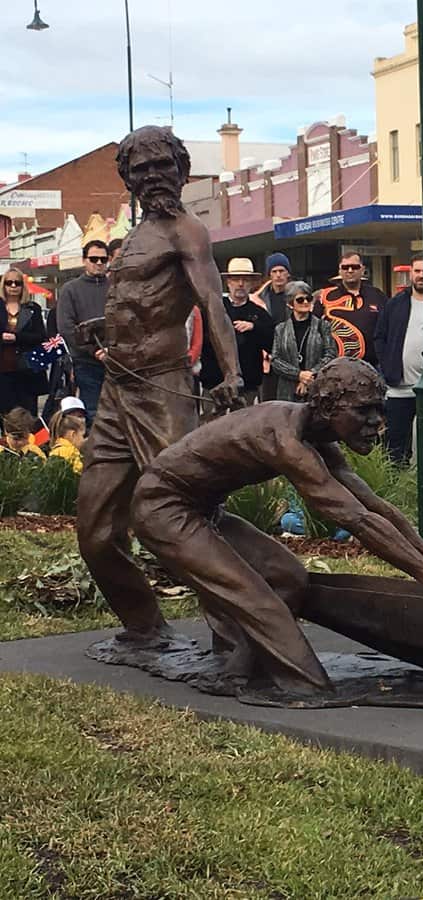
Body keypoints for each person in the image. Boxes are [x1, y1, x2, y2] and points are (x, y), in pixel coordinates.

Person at [129, 357, 423, 696]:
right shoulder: (286, 441)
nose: (376, 421)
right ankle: (305, 685)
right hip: (162, 509)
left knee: (289, 578)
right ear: (327, 408)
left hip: (202, 509)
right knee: (259, 601)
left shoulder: (315, 433)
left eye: (378, 409)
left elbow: (375, 506)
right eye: (363, 411)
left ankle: (239, 669)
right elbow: (356, 519)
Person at [77, 125, 242, 648]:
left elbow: (211, 302)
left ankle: (237, 634)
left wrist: (232, 374)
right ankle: (145, 629)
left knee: (184, 518)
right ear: (127, 178)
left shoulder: (185, 231)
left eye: (161, 166)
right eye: (140, 169)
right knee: (97, 533)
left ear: (182, 171)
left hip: (162, 389)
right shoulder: (131, 239)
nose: (151, 177)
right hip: (115, 394)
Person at [374, 257, 423, 468]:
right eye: (417, 271)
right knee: (395, 444)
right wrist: (387, 365)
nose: (421, 275)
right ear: (411, 274)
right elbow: (380, 336)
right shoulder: (395, 303)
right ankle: (396, 487)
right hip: (399, 387)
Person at [199, 258, 275, 407]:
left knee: (244, 429)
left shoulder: (260, 314)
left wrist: (254, 328)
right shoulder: (213, 310)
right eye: (236, 279)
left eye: (245, 280)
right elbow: (201, 340)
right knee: (211, 428)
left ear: (252, 283)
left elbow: (273, 344)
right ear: (228, 282)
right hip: (215, 385)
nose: (240, 284)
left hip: (246, 387)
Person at [55, 240, 110, 424]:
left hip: (118, 361)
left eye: (103, 259)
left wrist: (113, 350)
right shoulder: (70, 289)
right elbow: (66, 328)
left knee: (119, 413)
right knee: (93, 413)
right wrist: (94, 351)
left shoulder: (117, 288)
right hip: (86, 363)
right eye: (94, 259)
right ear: (84, 260)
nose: (99, 263)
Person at [270, 282, 335, 401]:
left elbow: (330, 355)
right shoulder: (281, 329)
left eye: (308, 299)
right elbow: (275, 360)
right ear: (290, 304)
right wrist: (299, 375)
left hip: (317, 388)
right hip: (287, 391)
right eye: (300, 300)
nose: (305, 302)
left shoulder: (323, 325)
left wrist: (310, 375)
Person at [321, 252, 387, 365]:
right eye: (345, 267)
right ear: (339, 270)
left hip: (374, 366)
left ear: (362, 269)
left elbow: (389, 328)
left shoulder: (377, 295)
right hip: (336, 367)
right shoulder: (325, 297)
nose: (350, 270)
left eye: (355, 267)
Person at [0, 267, 48, 418]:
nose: (13, 286)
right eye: (9, 283)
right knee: (5, 415)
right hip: (3, 371)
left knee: (27, 415)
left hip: (27, 370)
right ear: (3, 285)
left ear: (22, 286)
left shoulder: (33, 309)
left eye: (17, 283)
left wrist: (17, 338)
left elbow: (41, 337)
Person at [255, 251, 293, 401]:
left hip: (292, 359)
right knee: (268, 403)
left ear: (288, 274)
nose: (278, 275)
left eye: (281, 271)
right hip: (267, 362)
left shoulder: (299, 296)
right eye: (274, 271)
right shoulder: (258, 299)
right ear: (269, 274)